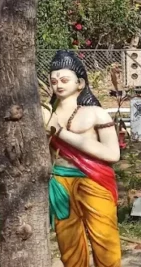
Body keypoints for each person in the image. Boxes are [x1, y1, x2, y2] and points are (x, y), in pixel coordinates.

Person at [43, 50, 122, 267]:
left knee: (104, 239)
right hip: (59, 181)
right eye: (54, 81)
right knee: (68, 243)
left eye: (64, 80)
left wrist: (60, 132)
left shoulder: (95, 113)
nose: (58, 85)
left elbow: (112, 154)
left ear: (80, 83)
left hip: (94, 179)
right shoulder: (46, 113)